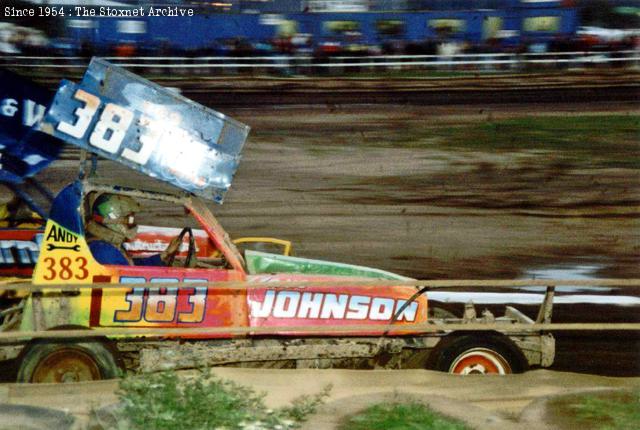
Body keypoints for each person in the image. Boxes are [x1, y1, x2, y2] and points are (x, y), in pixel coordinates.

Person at [86, 194, 180, 266]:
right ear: (113, 220)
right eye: (129, 219)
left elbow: (131, 265)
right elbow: (130, 276)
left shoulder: (106, 245)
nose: (132, 223)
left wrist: (165, 254)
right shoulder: (104, 251)